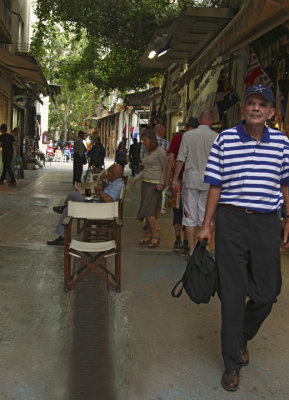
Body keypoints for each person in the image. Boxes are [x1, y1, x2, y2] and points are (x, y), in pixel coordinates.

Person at [198, 84, 289, 391]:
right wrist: (206, 224)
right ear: (243, 109)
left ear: (270, 113)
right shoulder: (224, 139)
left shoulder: (281, 142)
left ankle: (241, 336)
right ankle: (232, 363)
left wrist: (288, 217)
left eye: (262, 105)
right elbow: (215, 185)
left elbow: (286, 184)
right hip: (231, 221)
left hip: (266, 223)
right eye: (250, 103)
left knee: (268, 292)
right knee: (233, 295)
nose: (255, 108)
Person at [172, 111, 217, 255]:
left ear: (199, 120)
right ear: (211, 122)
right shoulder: (217, 137)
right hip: (209, 183)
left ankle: (192, 251)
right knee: (207, 217)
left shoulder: (188, 136)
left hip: (190, 181)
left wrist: (174, 179)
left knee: (189, 217)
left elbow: (180, 159)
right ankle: (205, 249)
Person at [47, 164, 125, 246]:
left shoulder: (118, 186)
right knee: (68, 209)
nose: (107, 173)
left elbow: (109, 200)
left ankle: (63, 211)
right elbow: (108, 194)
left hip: (99, 211)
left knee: (74, 194)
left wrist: (100, 191)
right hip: (97, 206)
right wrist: (103, 182)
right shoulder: (116, 183)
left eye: (108, 172)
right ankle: (62, 238)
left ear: (112, 174)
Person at [165, 117, 199, 254]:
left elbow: (171, 160)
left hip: (177, 180)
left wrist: (168, 179)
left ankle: (178, 239)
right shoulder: (198, 139)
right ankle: (187, 241)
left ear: (186, 126)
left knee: (177, 209)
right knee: (190, 210)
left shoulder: (178, 138)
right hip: (193, 181)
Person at [130, 129, 167, 248]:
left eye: (145, 140)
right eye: (142, 140)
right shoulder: (147, 151)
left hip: (154, 185)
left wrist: (162, 183)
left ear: (151, 140)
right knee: (146, 210)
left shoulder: (160, 152)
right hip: (145, 183)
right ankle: (148, 235)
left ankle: (155, 236)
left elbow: (165, 169)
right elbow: (145, 169)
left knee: (149, 211)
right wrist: (135, 179)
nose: (143, 143)